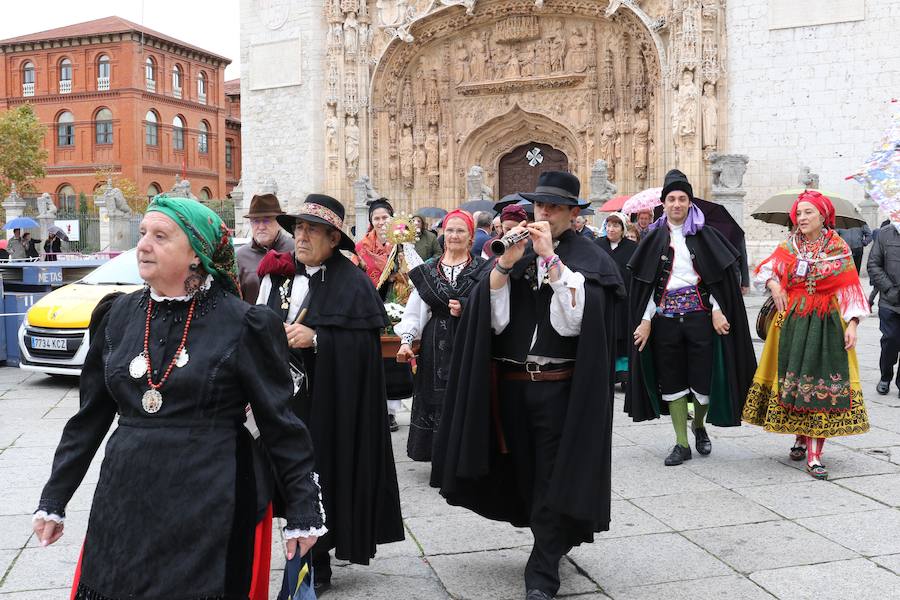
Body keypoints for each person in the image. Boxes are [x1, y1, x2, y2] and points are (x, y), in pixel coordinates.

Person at [32, 196, 324, 600]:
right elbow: (90, 417)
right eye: (142, 234)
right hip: (126, 495)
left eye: (160, 236)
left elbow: (280, 424)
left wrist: (303, 511)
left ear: (195, 254)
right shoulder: (117, 316)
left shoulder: (243, 323)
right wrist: (54, 497)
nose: (144, 245)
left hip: (211, 497)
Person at [432, 171, 623, 600]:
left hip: (561, 388)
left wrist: (551, 259)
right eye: (540, 206)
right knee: (525, 471)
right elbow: (494, 319)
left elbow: (576, 322)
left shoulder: (590, 259)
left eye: (554, 207)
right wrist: (503, 265)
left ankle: (542, 568)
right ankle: (552, 537)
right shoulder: (515, 255)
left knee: (554, 474)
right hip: (513, 386)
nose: (544, 214)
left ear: (574, 215)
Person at [258, 194, 405, 592]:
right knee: (285, 477)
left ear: (332, 237)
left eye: (311, 230)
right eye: (298, 229)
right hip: (284, 402)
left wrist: (318, 338)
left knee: (320, 475)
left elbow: (364, 349)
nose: (301, 237)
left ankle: (315, 561)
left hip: (330, 403)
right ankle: (296, 546)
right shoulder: (282, 275)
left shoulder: (353, 282)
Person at [627, 170, 756, 466]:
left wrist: (718, 309)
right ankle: (681, 443)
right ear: (663, 203)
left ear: (689, 202)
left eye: (682, 198)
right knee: (671, 381)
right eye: (671, 199)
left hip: (700, 318)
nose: (676, 204)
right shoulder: (653, 238)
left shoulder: (706, 235)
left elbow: (717, 280)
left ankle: (699, 425)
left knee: (704, 382)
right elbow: (646, 285)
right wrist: (645, 320)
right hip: (665, 321)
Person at [743, 190, 869, 479]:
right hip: (791, 323)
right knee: (795, 380)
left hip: (826, 324)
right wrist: (775, 286)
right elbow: (765, 270)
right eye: (798, 213)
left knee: (819, 381)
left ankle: (814, 454)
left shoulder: (838, 248)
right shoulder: (790, 245)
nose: (801, 218)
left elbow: (850, 288)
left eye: (808, 213)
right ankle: (800, 436)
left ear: (823, 216)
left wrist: (852, 325)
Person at [395, 210, 489, 461]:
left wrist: (468, 306)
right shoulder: (429, 271)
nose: (454, 235)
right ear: (442, 234)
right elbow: (415, 313)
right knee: (435, 398)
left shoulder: (484, 268)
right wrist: (406, 342)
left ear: (471, 237)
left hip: (470, 340)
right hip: (435, 343)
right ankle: (439, 455)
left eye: (461, 231)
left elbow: (495, 306)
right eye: (450, 230)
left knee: (467, 396)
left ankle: (465, 456)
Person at [356, 198, 415, 432]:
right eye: (376, 218)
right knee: (375, 360)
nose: (381, 222)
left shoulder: (401, 244)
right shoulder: (362, 247)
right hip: (370, 306)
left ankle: (391, 412)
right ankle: (375, 408)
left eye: (384, 218)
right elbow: (357, 273)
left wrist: (396, 275)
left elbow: (411, 272)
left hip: (397, 304)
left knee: (394, 362)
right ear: (371, 222)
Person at [595, 212, 637, 385]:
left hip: (623, 301)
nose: (611, 229)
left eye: (615, 226)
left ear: (622, 229)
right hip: (602, 299)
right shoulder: (597, 245)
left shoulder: (632, 248)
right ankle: (603, 371)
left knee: (622, 336)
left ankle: (624, 374)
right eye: (609, 226)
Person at [236, 193, 295, 302]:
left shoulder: (294, 249)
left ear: (279, 223)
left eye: (267, 220)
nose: (261, 227)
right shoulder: (240, 256)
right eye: (256, 221)